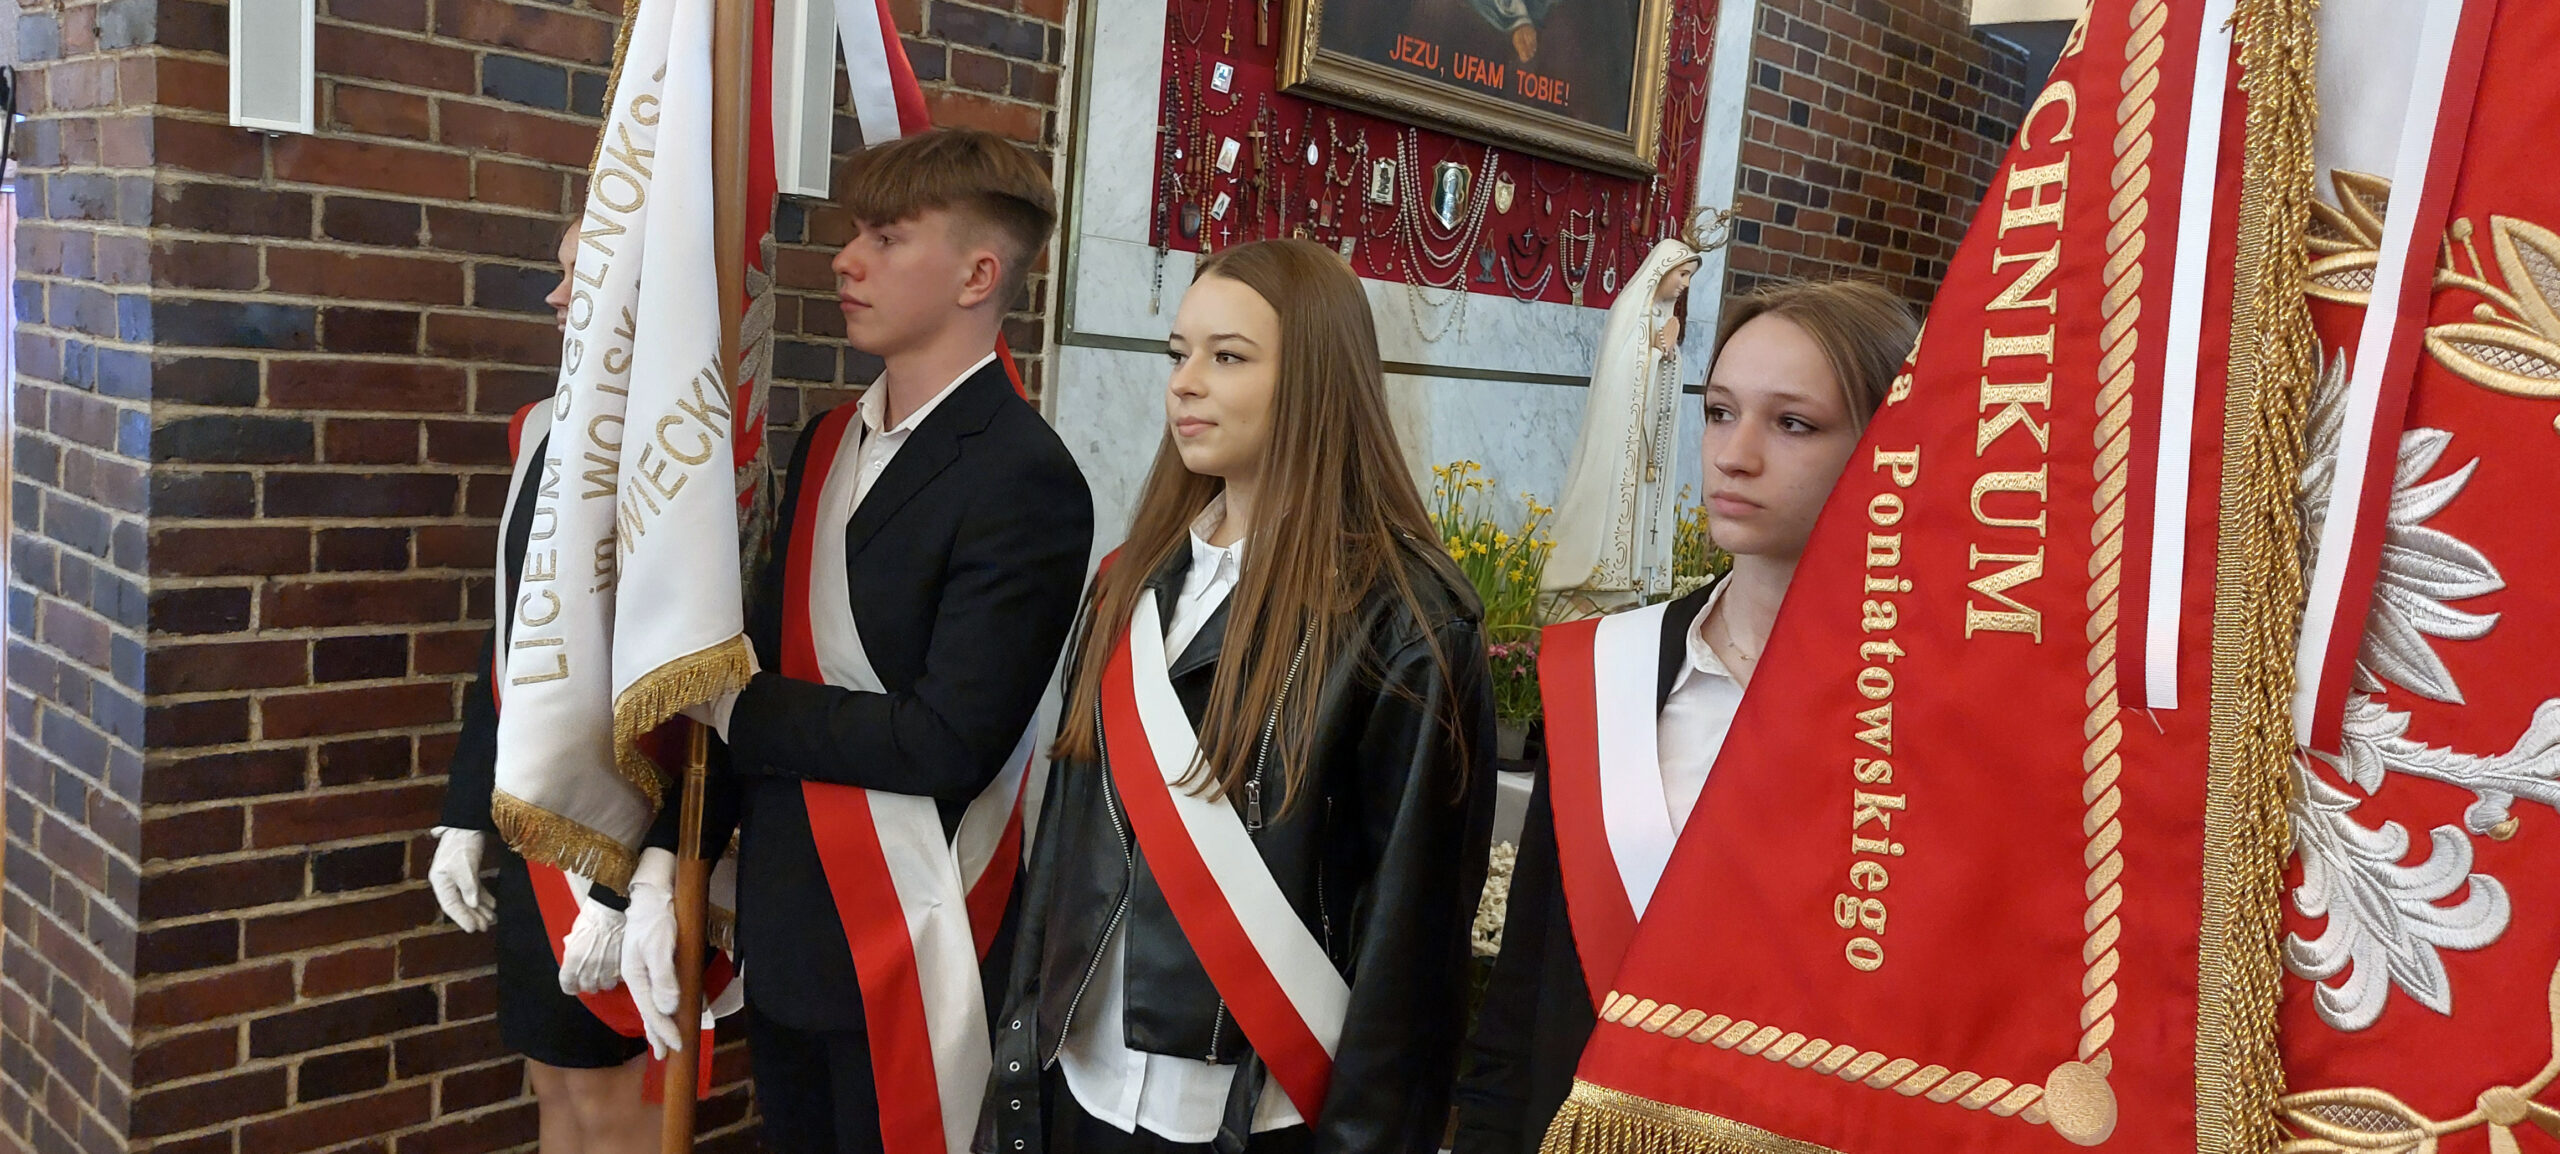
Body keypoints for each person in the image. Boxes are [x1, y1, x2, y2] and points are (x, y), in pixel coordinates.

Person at [615, 127, 1095, 1154]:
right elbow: (757, 656)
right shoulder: (826, 440)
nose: (845, 260)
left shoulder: (1025, 475)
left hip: (912, 939)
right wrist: (668, 859)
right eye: (852, 235)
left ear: (977, 275)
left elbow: (944, 741)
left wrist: (739, 704)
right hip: (787, 930)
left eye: (886, 237)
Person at [982, 238, 1497, 1154]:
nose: (1184, 383)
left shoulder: (1406, 623)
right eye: (1178, 353)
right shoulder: (1128, 583)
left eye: (1228, 357)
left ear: (1316, 379)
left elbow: (1412, 945)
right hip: (1082, 1084)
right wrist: (1018, 1064)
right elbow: (1061, 853)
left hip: (1259, 1109)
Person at [1450, 280, 1918, 1154]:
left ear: (1891, 446)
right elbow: (1523, 998)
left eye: (1793, 424)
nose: (1734, 456)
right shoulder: (1610, 674)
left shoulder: (1932, 719)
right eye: (1719, 412)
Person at [428, 222, 660, 1154]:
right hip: (535, 815)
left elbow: (681, 693)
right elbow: (512, 643)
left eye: (580, 277)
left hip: (622, 834)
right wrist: (464, 813)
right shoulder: (541, 431)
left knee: (613, 1100)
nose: (556, 298)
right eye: (560, 274)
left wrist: (622, 885)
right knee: (553, 1081)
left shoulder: (684, 455)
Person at [1540, 236, 1704, 613]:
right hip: (1619, 439)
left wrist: (1669, 354)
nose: (1685, 284)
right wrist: (1657, 351)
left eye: (1690, 277)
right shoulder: (1630, 313)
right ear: (1661, 271)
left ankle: (1630, 584)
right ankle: (1597, 581)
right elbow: (1621, 375)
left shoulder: (1663, 318)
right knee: (1610, 503)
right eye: (1681, 274)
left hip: (1645, 439)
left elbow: (1666, 374)